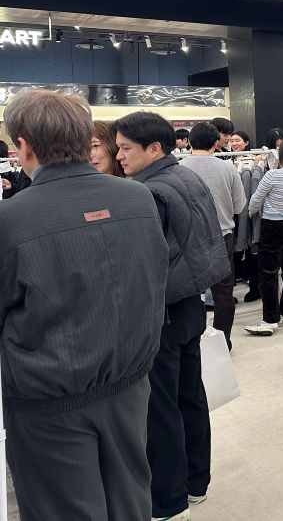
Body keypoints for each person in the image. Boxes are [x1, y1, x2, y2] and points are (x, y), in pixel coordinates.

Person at [0, 91, 168, 521]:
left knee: (63, 509)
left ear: (24, 145)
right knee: (130, 500)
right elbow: (154, 278)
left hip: (50, 402)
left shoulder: (12, 219)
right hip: (131, 384)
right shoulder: (137, 198)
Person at [114, 111, 231, 520]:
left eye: (125, 148)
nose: (119, 155)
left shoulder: (147, 192)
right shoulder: (185, 176)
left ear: (154, 149)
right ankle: (196, 482)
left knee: (160, 407)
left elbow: (142, 261)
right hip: (190, 303)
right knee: (189, 395)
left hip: (161, 308)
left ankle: (168, 499)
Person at [178, 122, 247, 349]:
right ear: (216, 143)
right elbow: (239, 206)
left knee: (189, 292)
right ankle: (222, 342)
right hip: (221, 236)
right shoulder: (228, 168)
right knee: (223, 293)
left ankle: (192, 343)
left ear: (189, 142)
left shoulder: (178, 168)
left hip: (187, 236)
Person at [244, 136, 283, 336]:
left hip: (273, 226)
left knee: (268, 272)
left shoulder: (272, 175)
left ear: (281, 154)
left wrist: (252, 211)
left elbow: (256, 200)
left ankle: (270, 319)